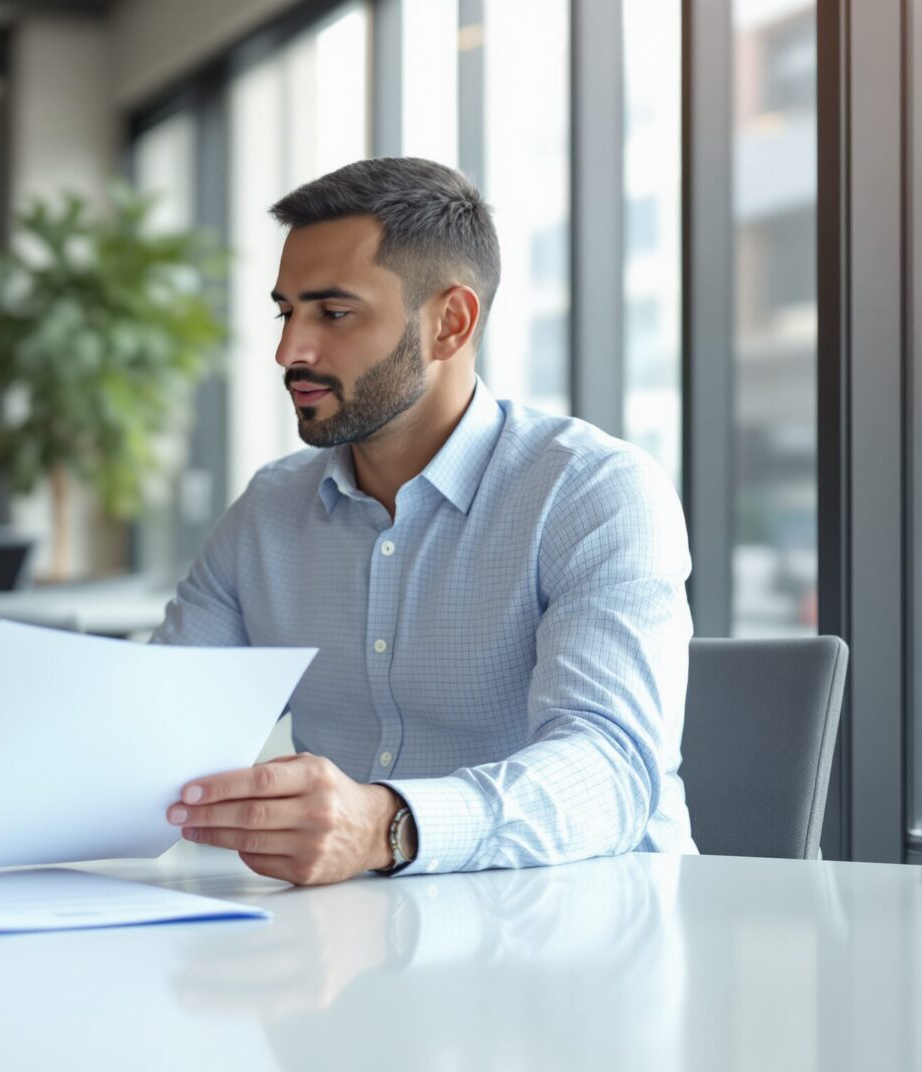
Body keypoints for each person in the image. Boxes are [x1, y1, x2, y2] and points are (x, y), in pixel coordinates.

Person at [155, 157, 694, 885]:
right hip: (356, 944)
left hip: (589, 935)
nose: (291, 352)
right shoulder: (268, 512)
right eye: (287, 313)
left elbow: (612, 768)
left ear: (450, 323)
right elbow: (155, 729)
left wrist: (388, 825)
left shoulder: (592, 492)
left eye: (334, 314)